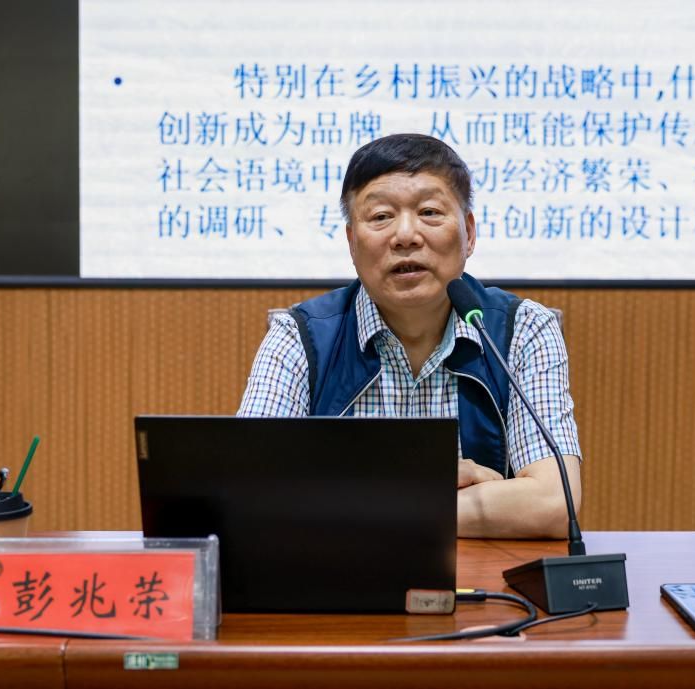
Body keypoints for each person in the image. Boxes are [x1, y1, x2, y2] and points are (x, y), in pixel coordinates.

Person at [238, 133, 582, 539]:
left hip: (483, 577)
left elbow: (555, 502)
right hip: (337, 573)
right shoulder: (300, 336)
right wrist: (430, 492)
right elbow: (252, 492)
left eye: (430, 212)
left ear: (469, 233)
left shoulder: (523, 330)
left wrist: (353, 503)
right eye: (381, 216)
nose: (405, 235)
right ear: (351, 242)